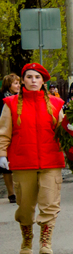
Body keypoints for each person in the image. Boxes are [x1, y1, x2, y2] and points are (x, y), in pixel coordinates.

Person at [0, 63, 65, 254]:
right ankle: (27, 238)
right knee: (25, 205)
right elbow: (4, 132)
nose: (33, 81)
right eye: (29, 77)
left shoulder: (56, 103)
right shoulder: (11, 104)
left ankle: (45, 241)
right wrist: (2, 154)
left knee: (50, 203)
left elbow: (63, 132)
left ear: (43, 81)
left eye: (37, 77)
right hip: (23, 161)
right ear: (23, 81)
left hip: (51, 160)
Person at [0, 73, 17, 203]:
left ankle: (19, 190)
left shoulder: (21, 97)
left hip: (17, 132)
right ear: (8, 85)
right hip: (4, 132)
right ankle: (11, 193)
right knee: (6, 166)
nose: (18, 85)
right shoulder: (2, 98)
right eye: (15, 83)